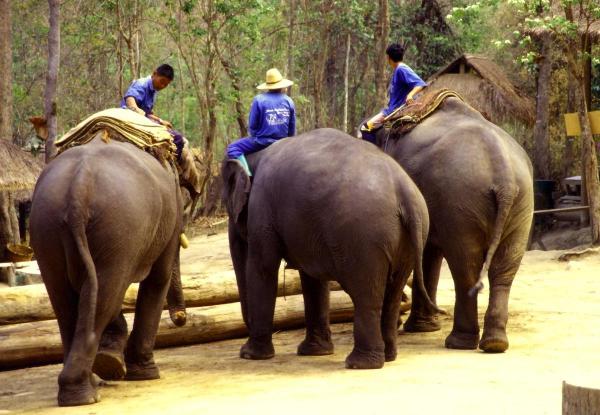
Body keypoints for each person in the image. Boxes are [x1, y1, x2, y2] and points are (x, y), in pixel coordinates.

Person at [226, 68, 296, 176]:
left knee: (233, 148)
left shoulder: (259, 100)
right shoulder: (289, 101)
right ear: (282, 86)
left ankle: (247, 175)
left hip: (262, 142)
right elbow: (292, 129)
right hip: (283, 141)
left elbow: (252, 126)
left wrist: (255, 136)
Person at [362, 43, 427, 140]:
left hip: (394, 111)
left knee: (365, 128)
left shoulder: (401, 69)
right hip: (392, 109)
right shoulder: (398, 69)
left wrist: (410, 95)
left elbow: (420, 84)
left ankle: (374, 153)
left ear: (389, 57)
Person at [120, 63, 186, 158]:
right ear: (154, 74)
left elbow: (147, 113)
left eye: (166, 84)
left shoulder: (153, 90)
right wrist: (136, 110)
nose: (163, 85)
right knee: (178, 139)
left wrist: (160, 121)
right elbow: (130, 98)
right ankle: (171, 163)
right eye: (162, 81)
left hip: (143, 119)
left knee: (174, 135)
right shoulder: (142, 84)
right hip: (132, 118)